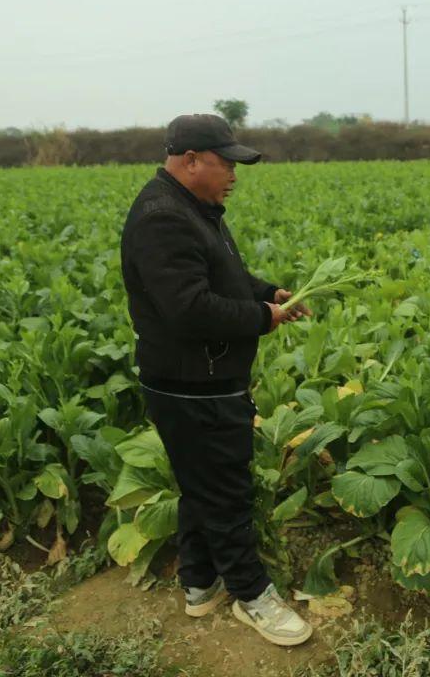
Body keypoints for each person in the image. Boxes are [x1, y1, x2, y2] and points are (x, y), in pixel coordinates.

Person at [120, 114, 312, 647]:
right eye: (225, 162)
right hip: (191, 384)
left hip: (198, 377)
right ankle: (253, 596)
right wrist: (260, 319)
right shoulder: (163, 219)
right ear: (190, 161)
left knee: (200, 482)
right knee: (225, 490)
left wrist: (266, 293)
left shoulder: (193, 207)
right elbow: (189, 309)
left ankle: (200, 584)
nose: (233, 172)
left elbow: (222, 275)